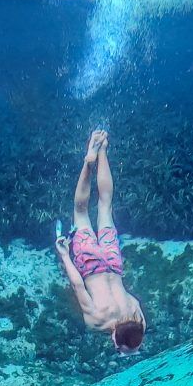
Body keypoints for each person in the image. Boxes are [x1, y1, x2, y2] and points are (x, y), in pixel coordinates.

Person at [55, 129, 146, 354]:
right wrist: (65, 255)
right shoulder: (96, 322)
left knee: (105, 205)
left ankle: (102, 149)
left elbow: (133, 301)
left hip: (113, 263)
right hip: (90, 265)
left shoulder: (137, 316)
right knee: (81, 211)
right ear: (115, 340)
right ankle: (87, 164)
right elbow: (78, 285)